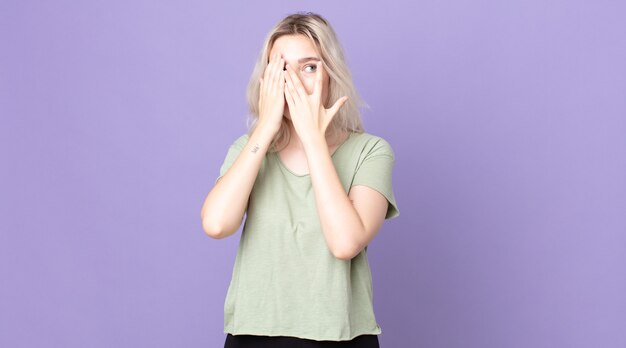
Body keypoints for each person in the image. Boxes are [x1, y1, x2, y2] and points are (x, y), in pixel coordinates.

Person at [200, 12, 400, 348]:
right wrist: (264, 128)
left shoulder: (371, 151)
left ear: (331, 74)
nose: (292, 80)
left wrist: (313, 140)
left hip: (341, 337)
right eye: (280, 68)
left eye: (308, 67)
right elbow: (217, 224)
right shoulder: (248, 150)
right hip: (254, 335)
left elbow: (345, 243)